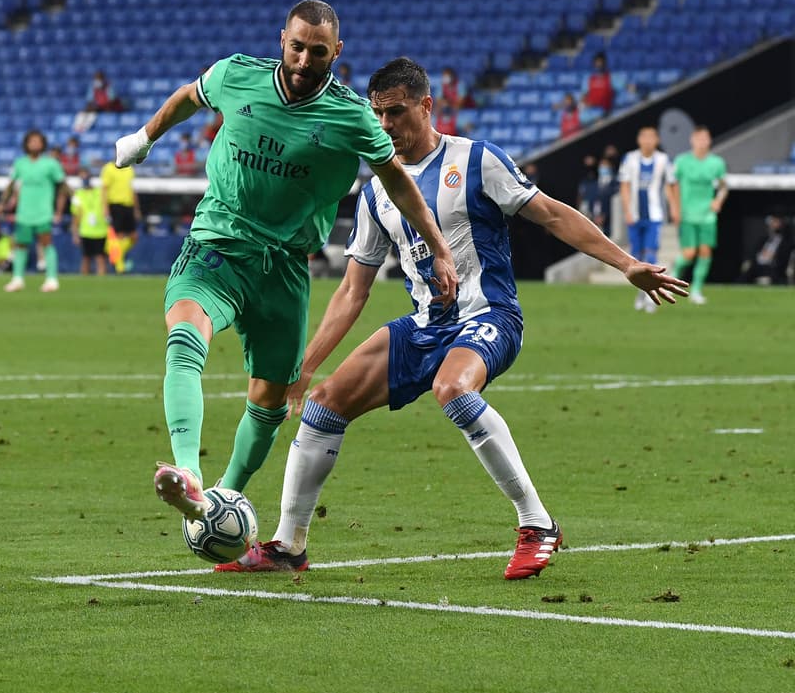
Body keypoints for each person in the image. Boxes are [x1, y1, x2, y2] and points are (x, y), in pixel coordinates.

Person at [215, 57, 687, 578]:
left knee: (453, 388)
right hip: (424, 326)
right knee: (324, 406)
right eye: (378, 115)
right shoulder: (377, 190)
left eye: (396, 112)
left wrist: (626, 264)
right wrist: (303, 369)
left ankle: (537, 522)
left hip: (490, 316)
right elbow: (354, 288)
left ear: (426, 105)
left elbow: (551, 213)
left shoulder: (478, 159)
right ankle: (288, 546)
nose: (387, 125)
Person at [111, 2, 458, 530]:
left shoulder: (352, 116)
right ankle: (186, 472)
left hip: (285, 268)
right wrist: (143, 139)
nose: (303, 60)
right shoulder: (236, 75)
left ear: (335, 53)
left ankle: (221, 498)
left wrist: (438, 245)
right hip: (218, 244)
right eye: (296, 47)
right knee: (185, 335)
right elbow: (187, 97)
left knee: (270, 398)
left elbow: (396, 180)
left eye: (317, 52)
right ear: (282, 40)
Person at [0, 129, 68, 292]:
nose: (34, 144)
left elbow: (62, 187)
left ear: (43, 144)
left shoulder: (51, 164)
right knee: (20, 245)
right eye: (31, 141)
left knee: (46, 243)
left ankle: (51, 279)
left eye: (37, 141)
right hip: (24, 212)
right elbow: (11, 185)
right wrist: (2, 202)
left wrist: (59, 210)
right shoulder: (20, 163)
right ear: (26, 144)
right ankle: (18, 278)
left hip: (43, 211)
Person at [619, 126, 677, 312]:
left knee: (651, 255)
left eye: (652, 137)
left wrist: (674, 208)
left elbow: (669, 186)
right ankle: (642, 293)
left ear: (657, 140)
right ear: (639, 139)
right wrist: (627, 210)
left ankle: (649, 297)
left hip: (654, 216)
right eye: (644, 137)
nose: (648, 140)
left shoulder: (663, 160)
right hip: (635, 216)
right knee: (636, 259)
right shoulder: (630, 159)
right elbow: (625, 186)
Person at [672, 126, 729, 304]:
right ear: (692, 140)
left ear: (709, 140)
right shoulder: (682, 161)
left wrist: (718, 200)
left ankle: (696, 290)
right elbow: (673, 185)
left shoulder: (717, 162)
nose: (702, 142)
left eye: (705, 138)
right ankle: (671, 279)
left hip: (707, 214)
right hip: (688, 213)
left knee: (705, 251)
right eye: (699, 138)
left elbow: (723, 186)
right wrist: (675, 208)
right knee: (689, 253)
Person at [101, 156, 141, 273]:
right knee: (118, 236)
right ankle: (119, 266)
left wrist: (136, 208)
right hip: (115, 205)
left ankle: (117, 257)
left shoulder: (129, 169)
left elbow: (132, 190)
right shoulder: (108, 168)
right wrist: (105, 208)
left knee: (133, 236)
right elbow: (104, 189)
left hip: (128, 205)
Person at [71, 167, 109, 275]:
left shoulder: (100, 192)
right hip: (85, 230)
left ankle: (101, 282)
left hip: (100, 230)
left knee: (100, 257)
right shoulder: (78, 195)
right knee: (86, 258)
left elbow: (106, 208)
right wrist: (75, 233)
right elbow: (76, 215)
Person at [584, 52, 615, 116]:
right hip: (591, 113)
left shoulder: (611, 77)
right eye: (597, 62)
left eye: (600, 62)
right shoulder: (589, 79)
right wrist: (585, 103)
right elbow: (584, 96)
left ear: (604, 63)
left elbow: (628, 88)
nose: (599, 64)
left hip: (606, 112)